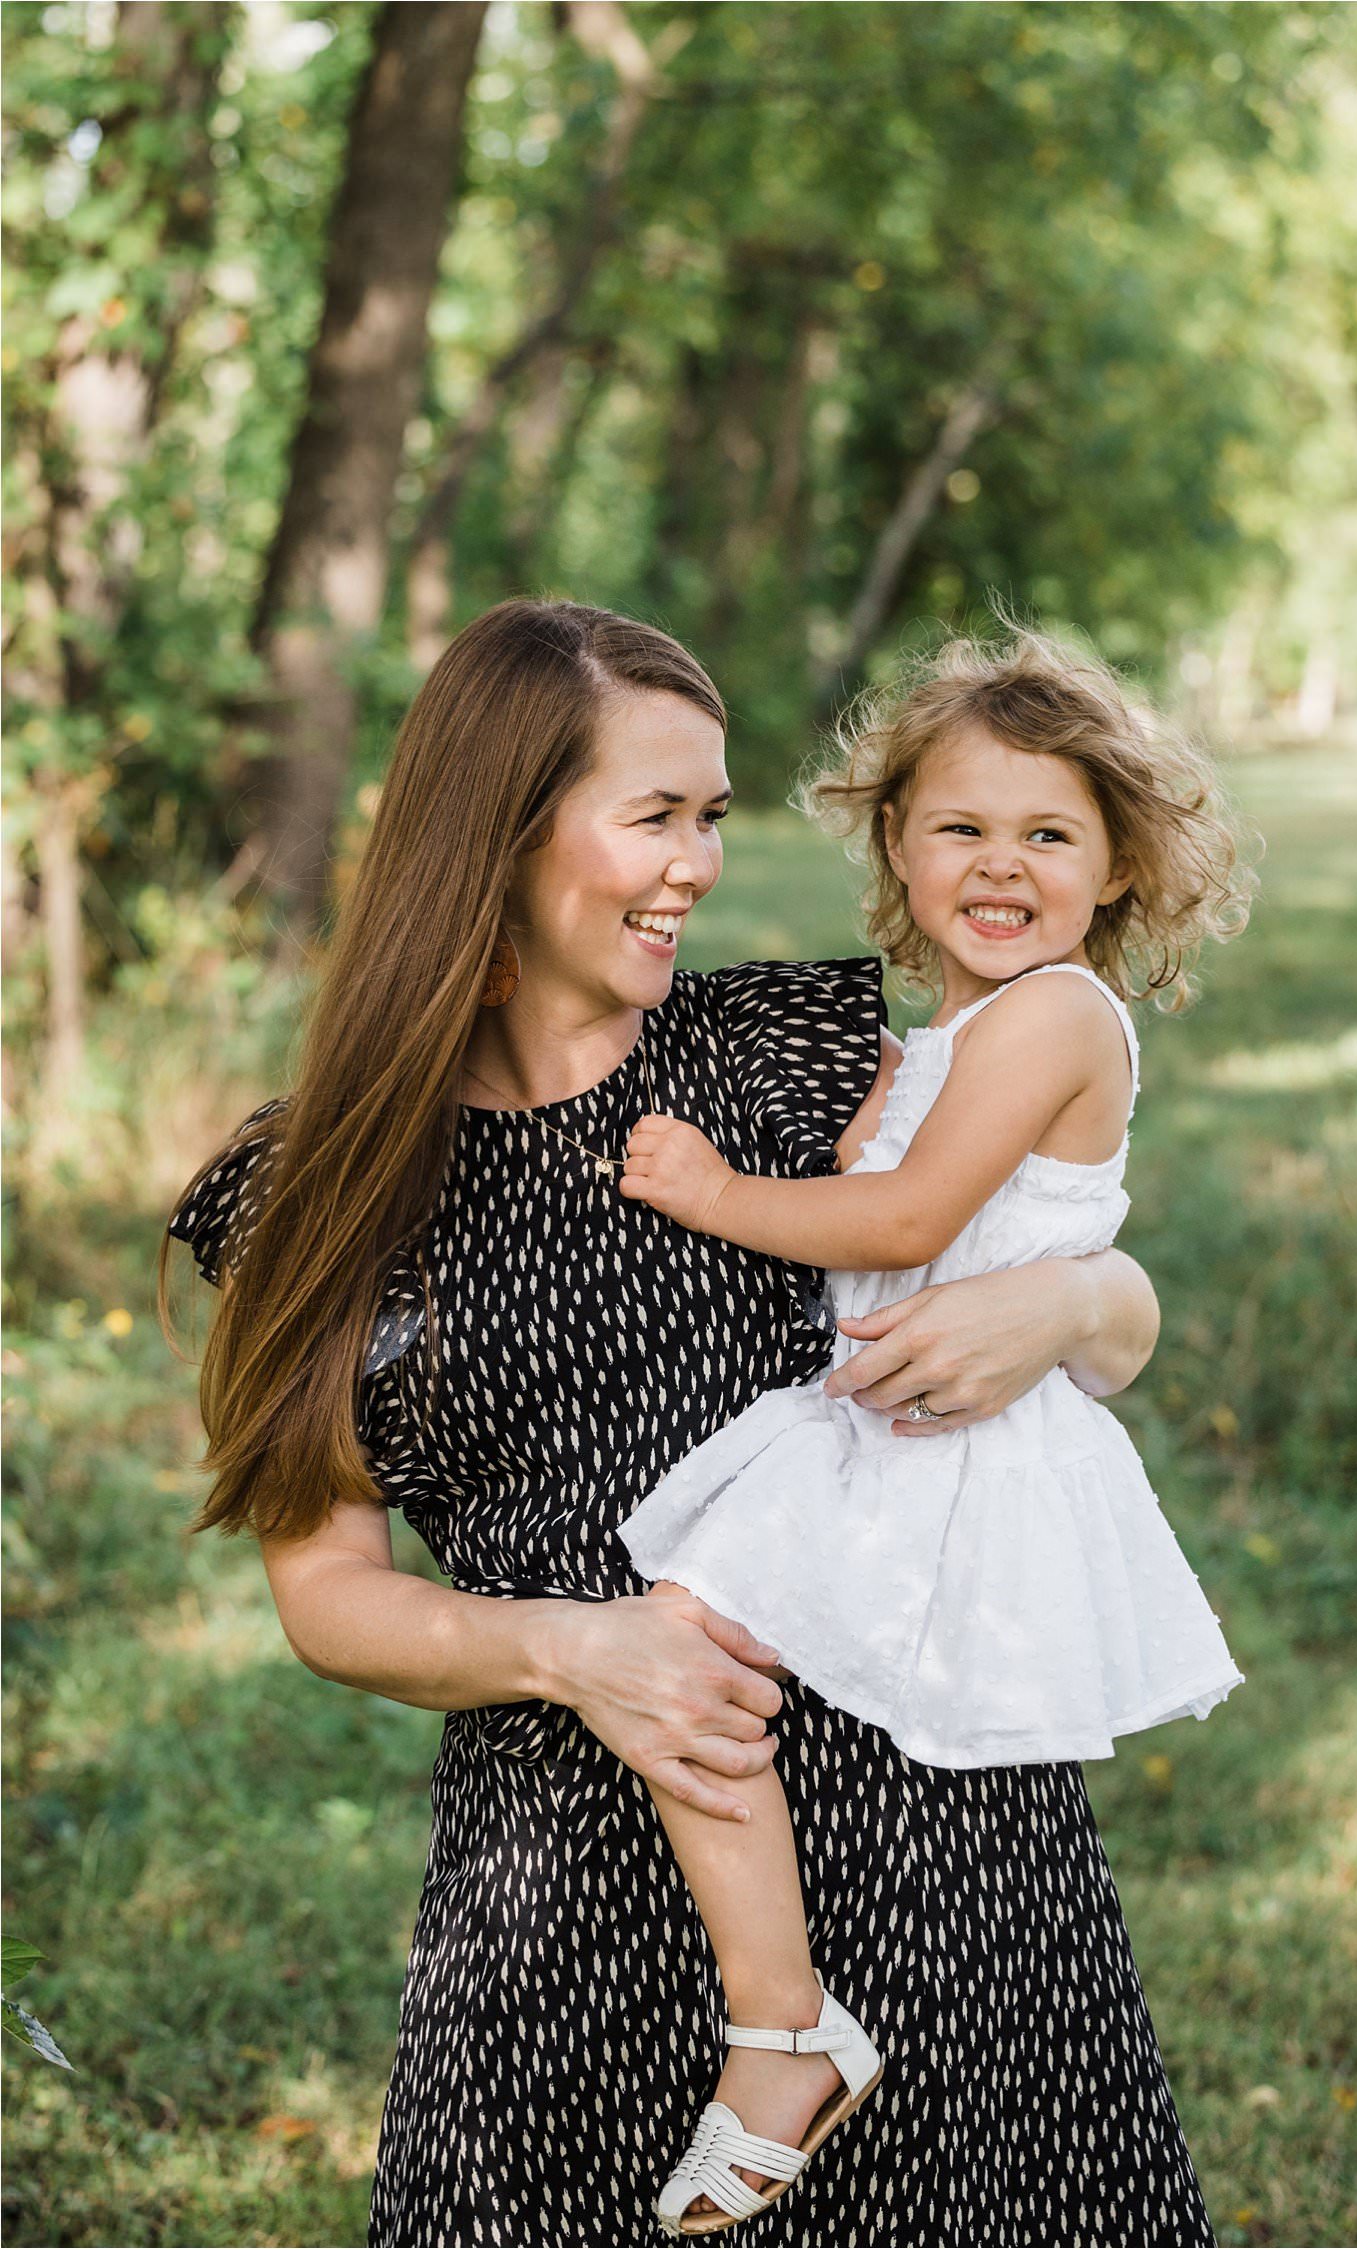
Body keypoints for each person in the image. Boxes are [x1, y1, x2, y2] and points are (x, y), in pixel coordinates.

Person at [161, 598, 1218, 2248]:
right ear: (501, 832)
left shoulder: (782, 1057)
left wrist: (1077, 1310)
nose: (701, 863)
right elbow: (326, 1590)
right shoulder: (320, 1193)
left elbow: (1054, 1262)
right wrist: (578, 1651)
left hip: (928, 1835)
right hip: (565, 1884)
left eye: (711, 816)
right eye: (656, 814)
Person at [615, 618, 1255, 2234]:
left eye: (1050, 832)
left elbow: (898, 1223)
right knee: (699, 1657)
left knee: (692, 1650)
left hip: (943, 1455)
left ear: (1118, 866)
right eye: (960, 825)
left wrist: (704, 1186)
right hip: (887, 1431)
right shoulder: (948, 1038)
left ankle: (784, 2032)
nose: (1001, 863)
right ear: (896, 844)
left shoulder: (1055, 1019)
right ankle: (786, 2018)